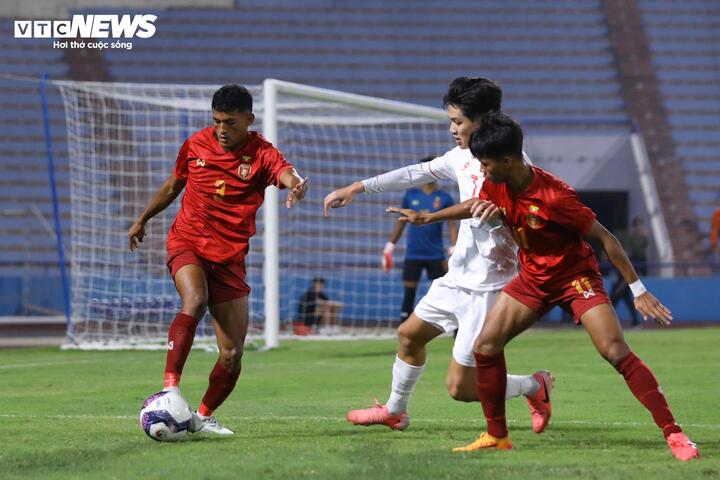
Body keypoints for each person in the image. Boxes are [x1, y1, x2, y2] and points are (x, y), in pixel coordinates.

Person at [392, 112, 698, 461]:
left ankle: (674, 434)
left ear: (508, 161)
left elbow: (607, 238)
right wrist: (429, 217)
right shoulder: (497, 182)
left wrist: (638, 290)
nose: (482, 170)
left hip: (575, 278)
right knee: (486, 346)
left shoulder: (557, 197)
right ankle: (498, 436)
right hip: (533, 278)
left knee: (614, 350)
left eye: (486, 164)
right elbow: (475, 204)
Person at [323, 77, 553, 434]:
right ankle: (395, 411)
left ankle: (536, 386)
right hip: (457, 277)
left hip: (490, 288)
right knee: (409, 335)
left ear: (485, 119)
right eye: (451, 120)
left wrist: (505, 219)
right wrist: (358, 187)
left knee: (461, 388)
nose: (452, 129)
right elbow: (416, 173)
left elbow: (535, 215)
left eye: (458, 121)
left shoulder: (512, 163)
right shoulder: (461, 156)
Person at [128, 84, 308, 435]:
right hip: (188, 241)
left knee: (232, 354)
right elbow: (171, 187)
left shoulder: (262, 154)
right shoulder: (196, 144)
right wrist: (142, 218)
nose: (222, 130)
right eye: (217, 121)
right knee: (195, 299)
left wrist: (296, 185)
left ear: (249, 120)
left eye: (230, 123)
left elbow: (287, 174)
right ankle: (170, 389)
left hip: (229, 257)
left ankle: (200, 416)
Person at [382, 156, 458, 322]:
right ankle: (404, 328)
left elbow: (452, 224)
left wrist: (454, 247)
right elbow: (400, 223)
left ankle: (450, 327)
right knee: (409, 294)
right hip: (413, 255)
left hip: (436, 255)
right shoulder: (411, 195)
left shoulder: (444, 197)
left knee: (442, 293)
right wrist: (389, 247)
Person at [610, 216, 649, 326]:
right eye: (638, 225)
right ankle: (634, 322)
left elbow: (639, 254)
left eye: (641, 225)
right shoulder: (630, 239)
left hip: (631, 272)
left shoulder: (643, 239)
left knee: (616, 296)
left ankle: (610, 322)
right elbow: (628, 252)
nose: (639, 228)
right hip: (624, 270)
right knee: (623, 297)